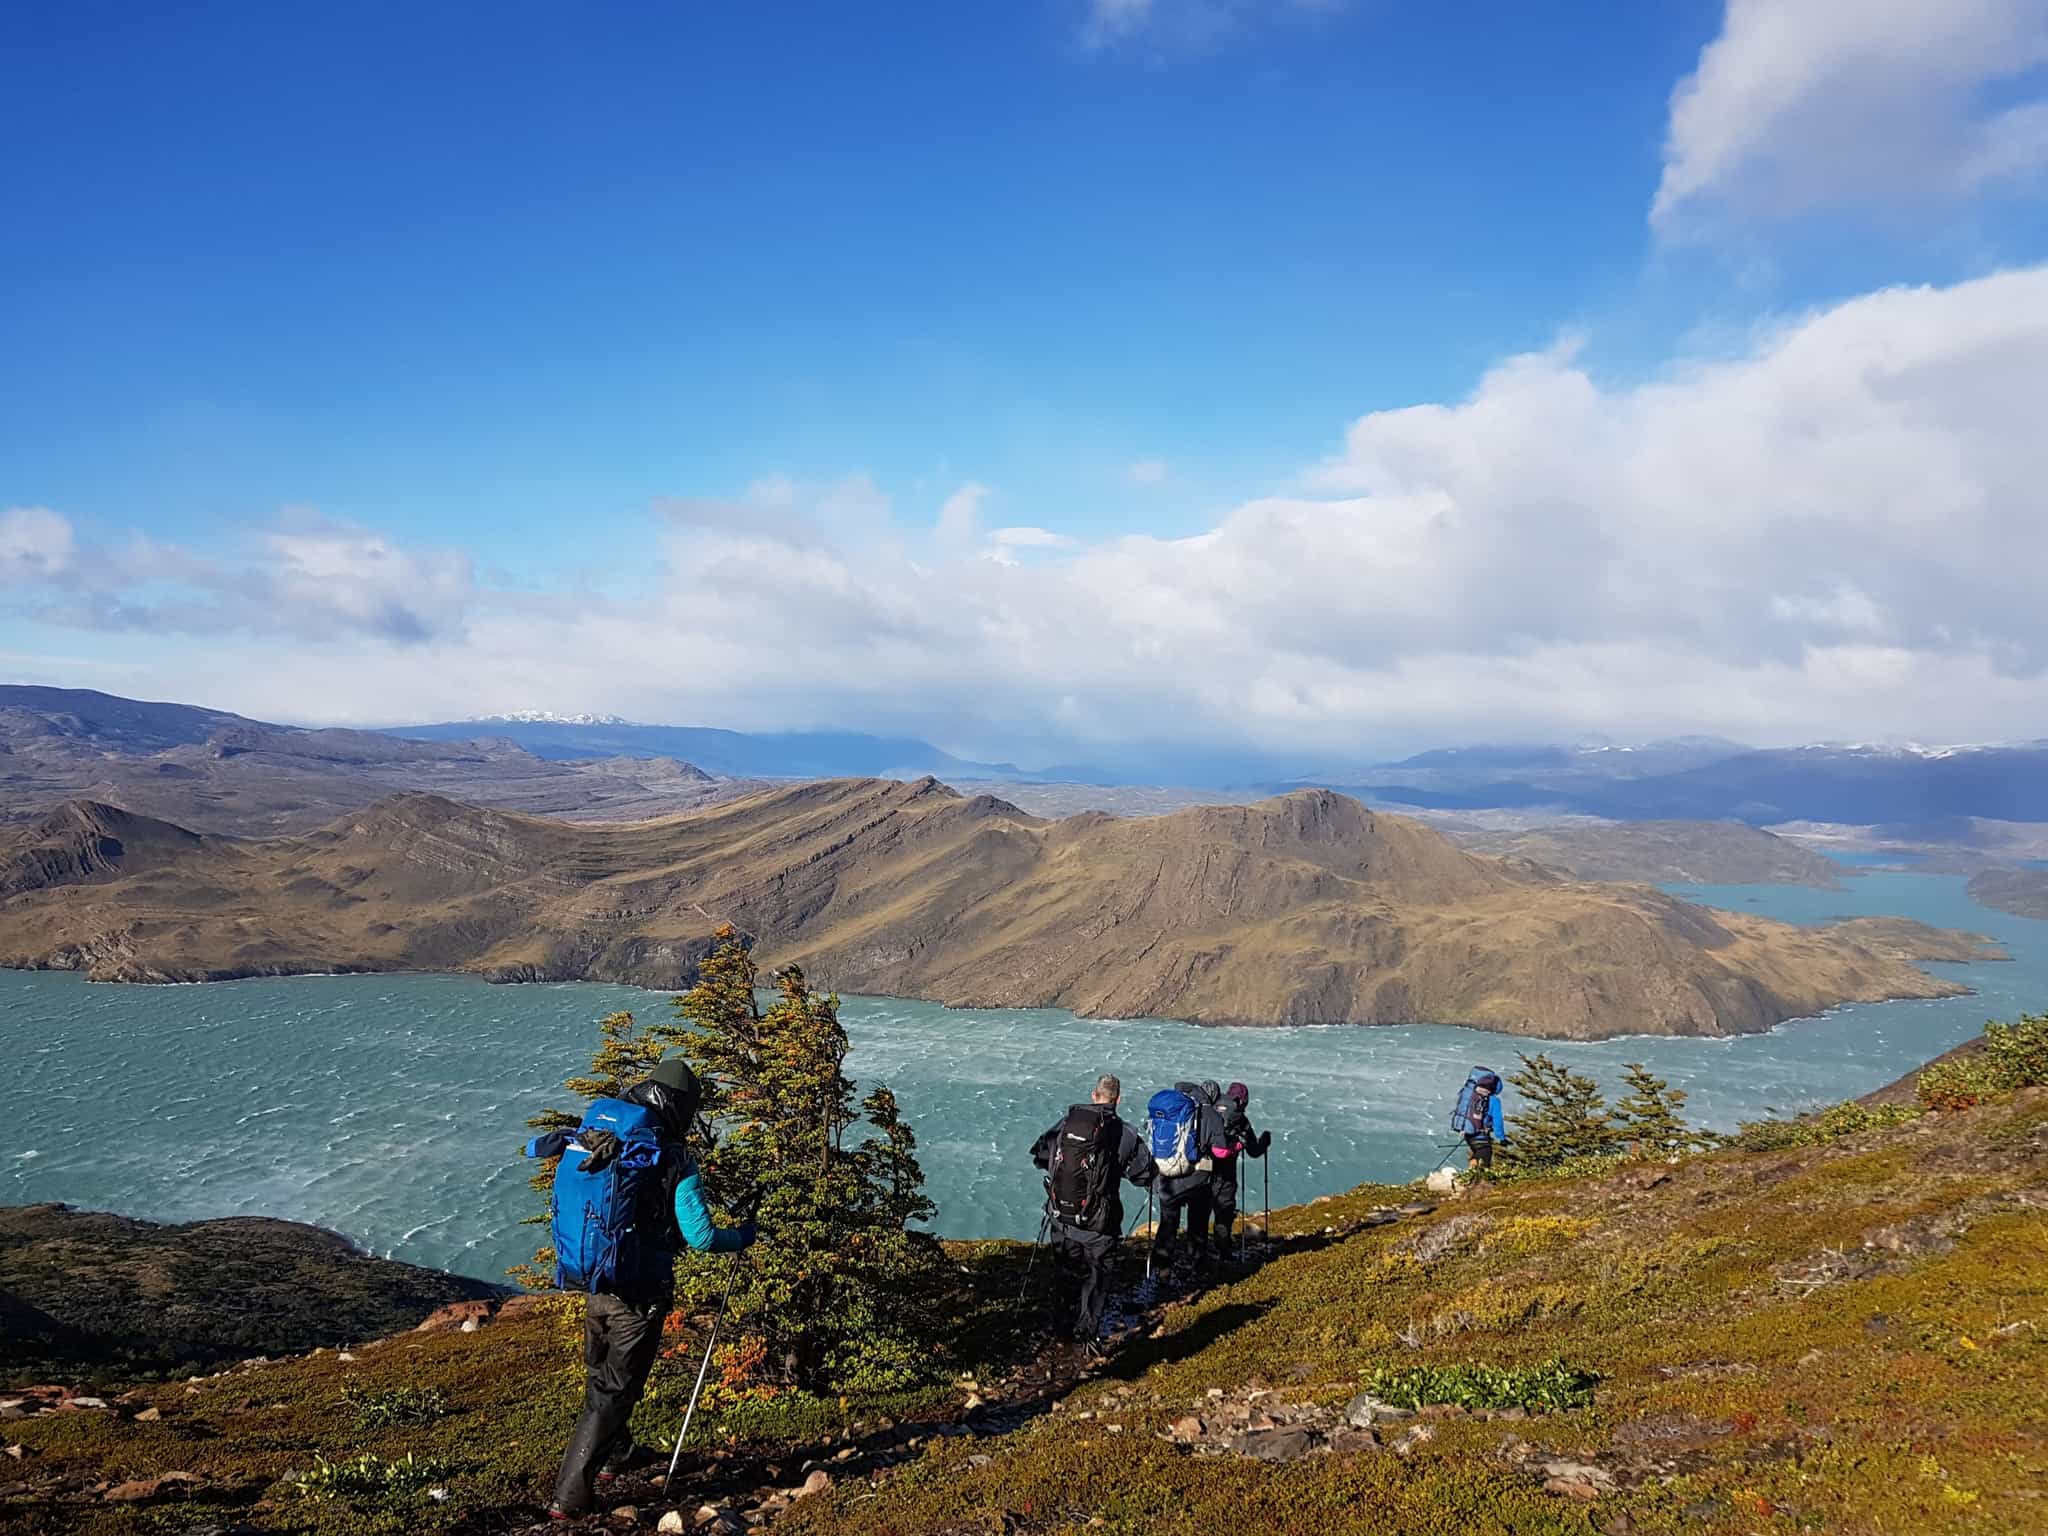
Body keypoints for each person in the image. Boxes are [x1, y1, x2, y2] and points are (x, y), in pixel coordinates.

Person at [525, 1059, 756, 1520]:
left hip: (595, 1281)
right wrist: (745, 1236)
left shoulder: (600, 1132)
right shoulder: (671, 1157)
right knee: (612, 1390)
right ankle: (569, 1498)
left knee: (603, 1379)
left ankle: (619, 1455)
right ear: (679, 1107)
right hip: (640, 1293)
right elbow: (703, 1237)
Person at [1030, 1073, 1155, 1348]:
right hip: (1099, 1224)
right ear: (1118, 1100)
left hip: (1061, 1217)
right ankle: (1085, 1335)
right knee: (1097, 1277)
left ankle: (1061, 1327)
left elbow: (1040, 1155)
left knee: (1066, 1271)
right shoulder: (1125, 1133)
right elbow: (1144, 1175)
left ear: (1093, 1095)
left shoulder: (1065, 1124)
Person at [1152, 1080, 1226, 1275]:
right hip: (1197, 1180)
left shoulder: (1178, 1110)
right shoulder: (1213, 1116)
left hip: (1167, 1177)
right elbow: (1220, 1152)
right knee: (1198, 1224)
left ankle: (1162, 1269)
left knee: (1168, 1224)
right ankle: (1197, 1265)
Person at [1208, 1081, 1271, 1260]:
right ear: (1243, 1101)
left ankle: (1196, 1252)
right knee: (1224, 1211)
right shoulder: (1240, 1118)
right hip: (1226, 1174)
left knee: (1201, 1211)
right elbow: (1254, 1151)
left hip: (1203, 1171)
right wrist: (1265, 1141)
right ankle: (1223, 1251)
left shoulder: (1210, 1110)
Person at [1453, 1067, 1508, 1172]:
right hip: (1479, 1134)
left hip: (1467, 1132)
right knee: (1485, 1155)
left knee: (1478, 1154)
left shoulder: (1471, 1094)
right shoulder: (1493, 1100)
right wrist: (1501, 1138)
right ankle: (1476, 1182)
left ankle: (1470, 1174)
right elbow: (1498, 1121)